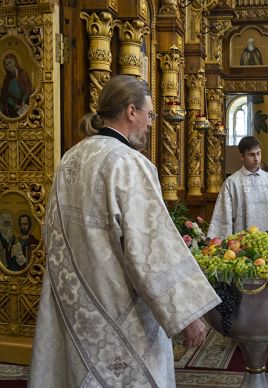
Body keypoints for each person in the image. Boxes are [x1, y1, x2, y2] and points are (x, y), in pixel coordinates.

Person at [29, 75, 221, 387]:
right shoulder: (129, 163)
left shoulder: (70, 159)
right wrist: (186, 316)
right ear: (131, 112)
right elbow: (150, 249)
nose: (150, 123)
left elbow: (53, 231)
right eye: (150, 114)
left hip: (76, 305)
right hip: (121, 312)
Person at [208, 135, 268, 239]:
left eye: (258, 153)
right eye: (251, 155)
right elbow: (224, 217)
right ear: (242, 156)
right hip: (241, 244)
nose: (256, 159)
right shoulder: (232, 183)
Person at [0, 53, 33, 118]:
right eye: (6, 65)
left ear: (15, 62)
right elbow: (5, 95)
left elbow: (28, 88)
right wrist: (14, 105)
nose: (8, 66)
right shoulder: (7, 79)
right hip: (12, 106)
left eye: (10, 63)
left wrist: (23, 101)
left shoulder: (22, 73)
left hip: (25, 102)